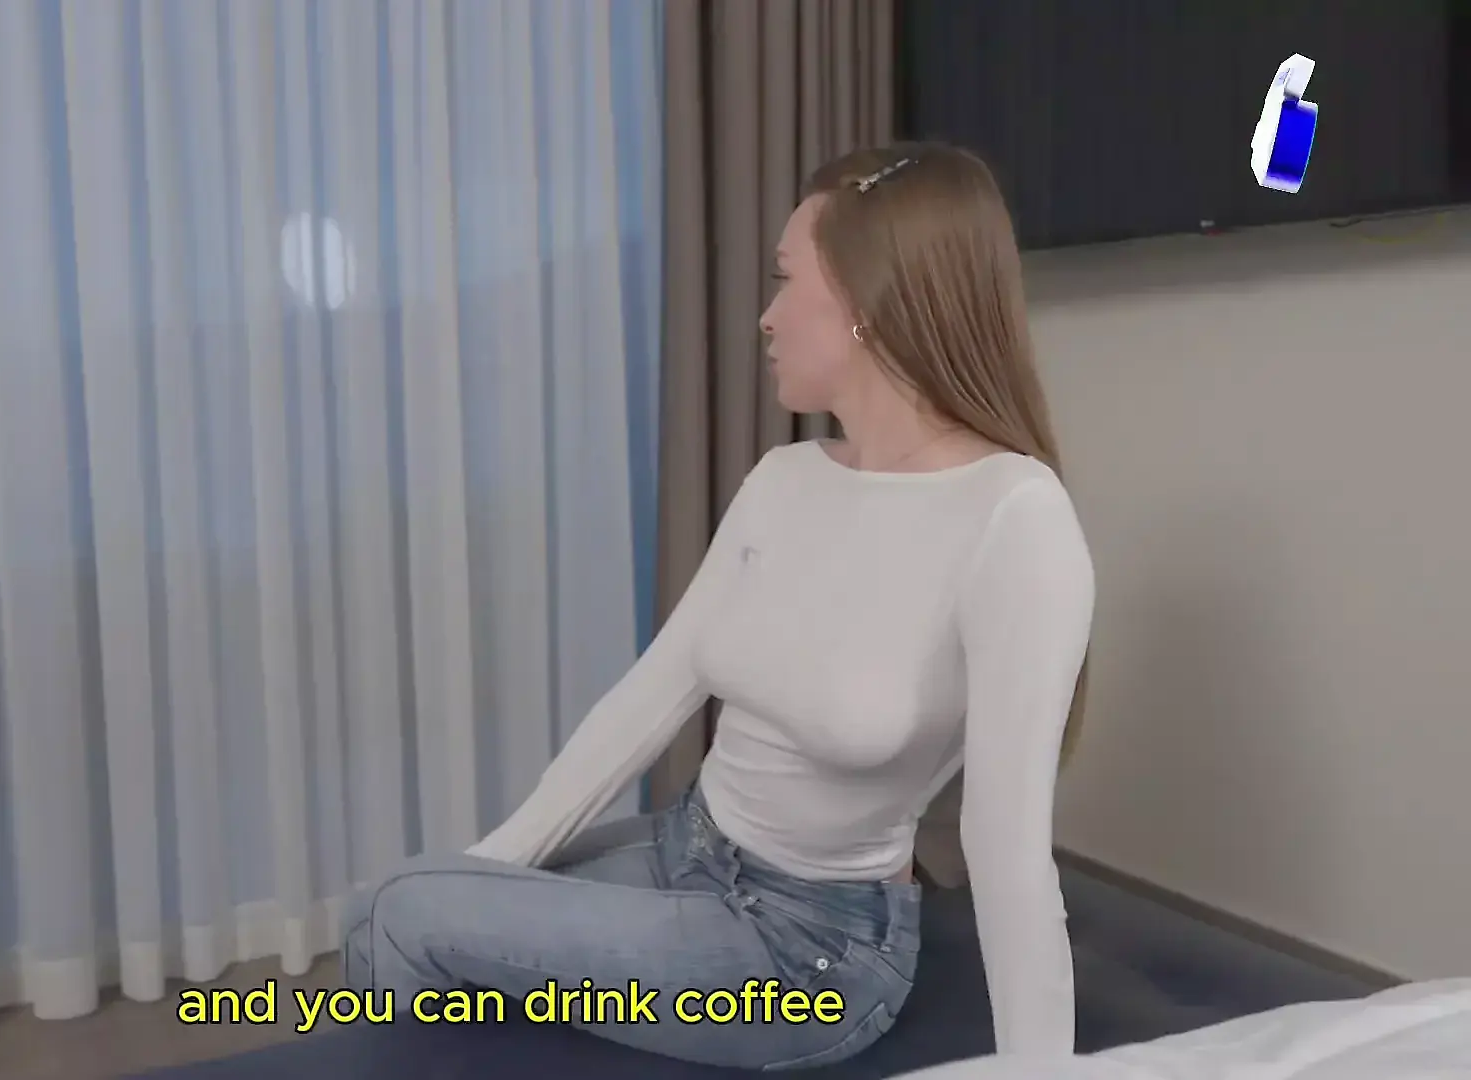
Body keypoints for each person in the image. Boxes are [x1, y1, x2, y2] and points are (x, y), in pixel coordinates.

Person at [339, 141, 1095, 1071]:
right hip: (687, 847)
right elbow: (652, 694)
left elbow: (1008, 852)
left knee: (397, 913)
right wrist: (485, 874)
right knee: (408, 900)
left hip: (809, 950)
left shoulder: (1013, 517)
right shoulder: (786, 478)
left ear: (866, 303)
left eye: (786, 280)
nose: (767, 318)